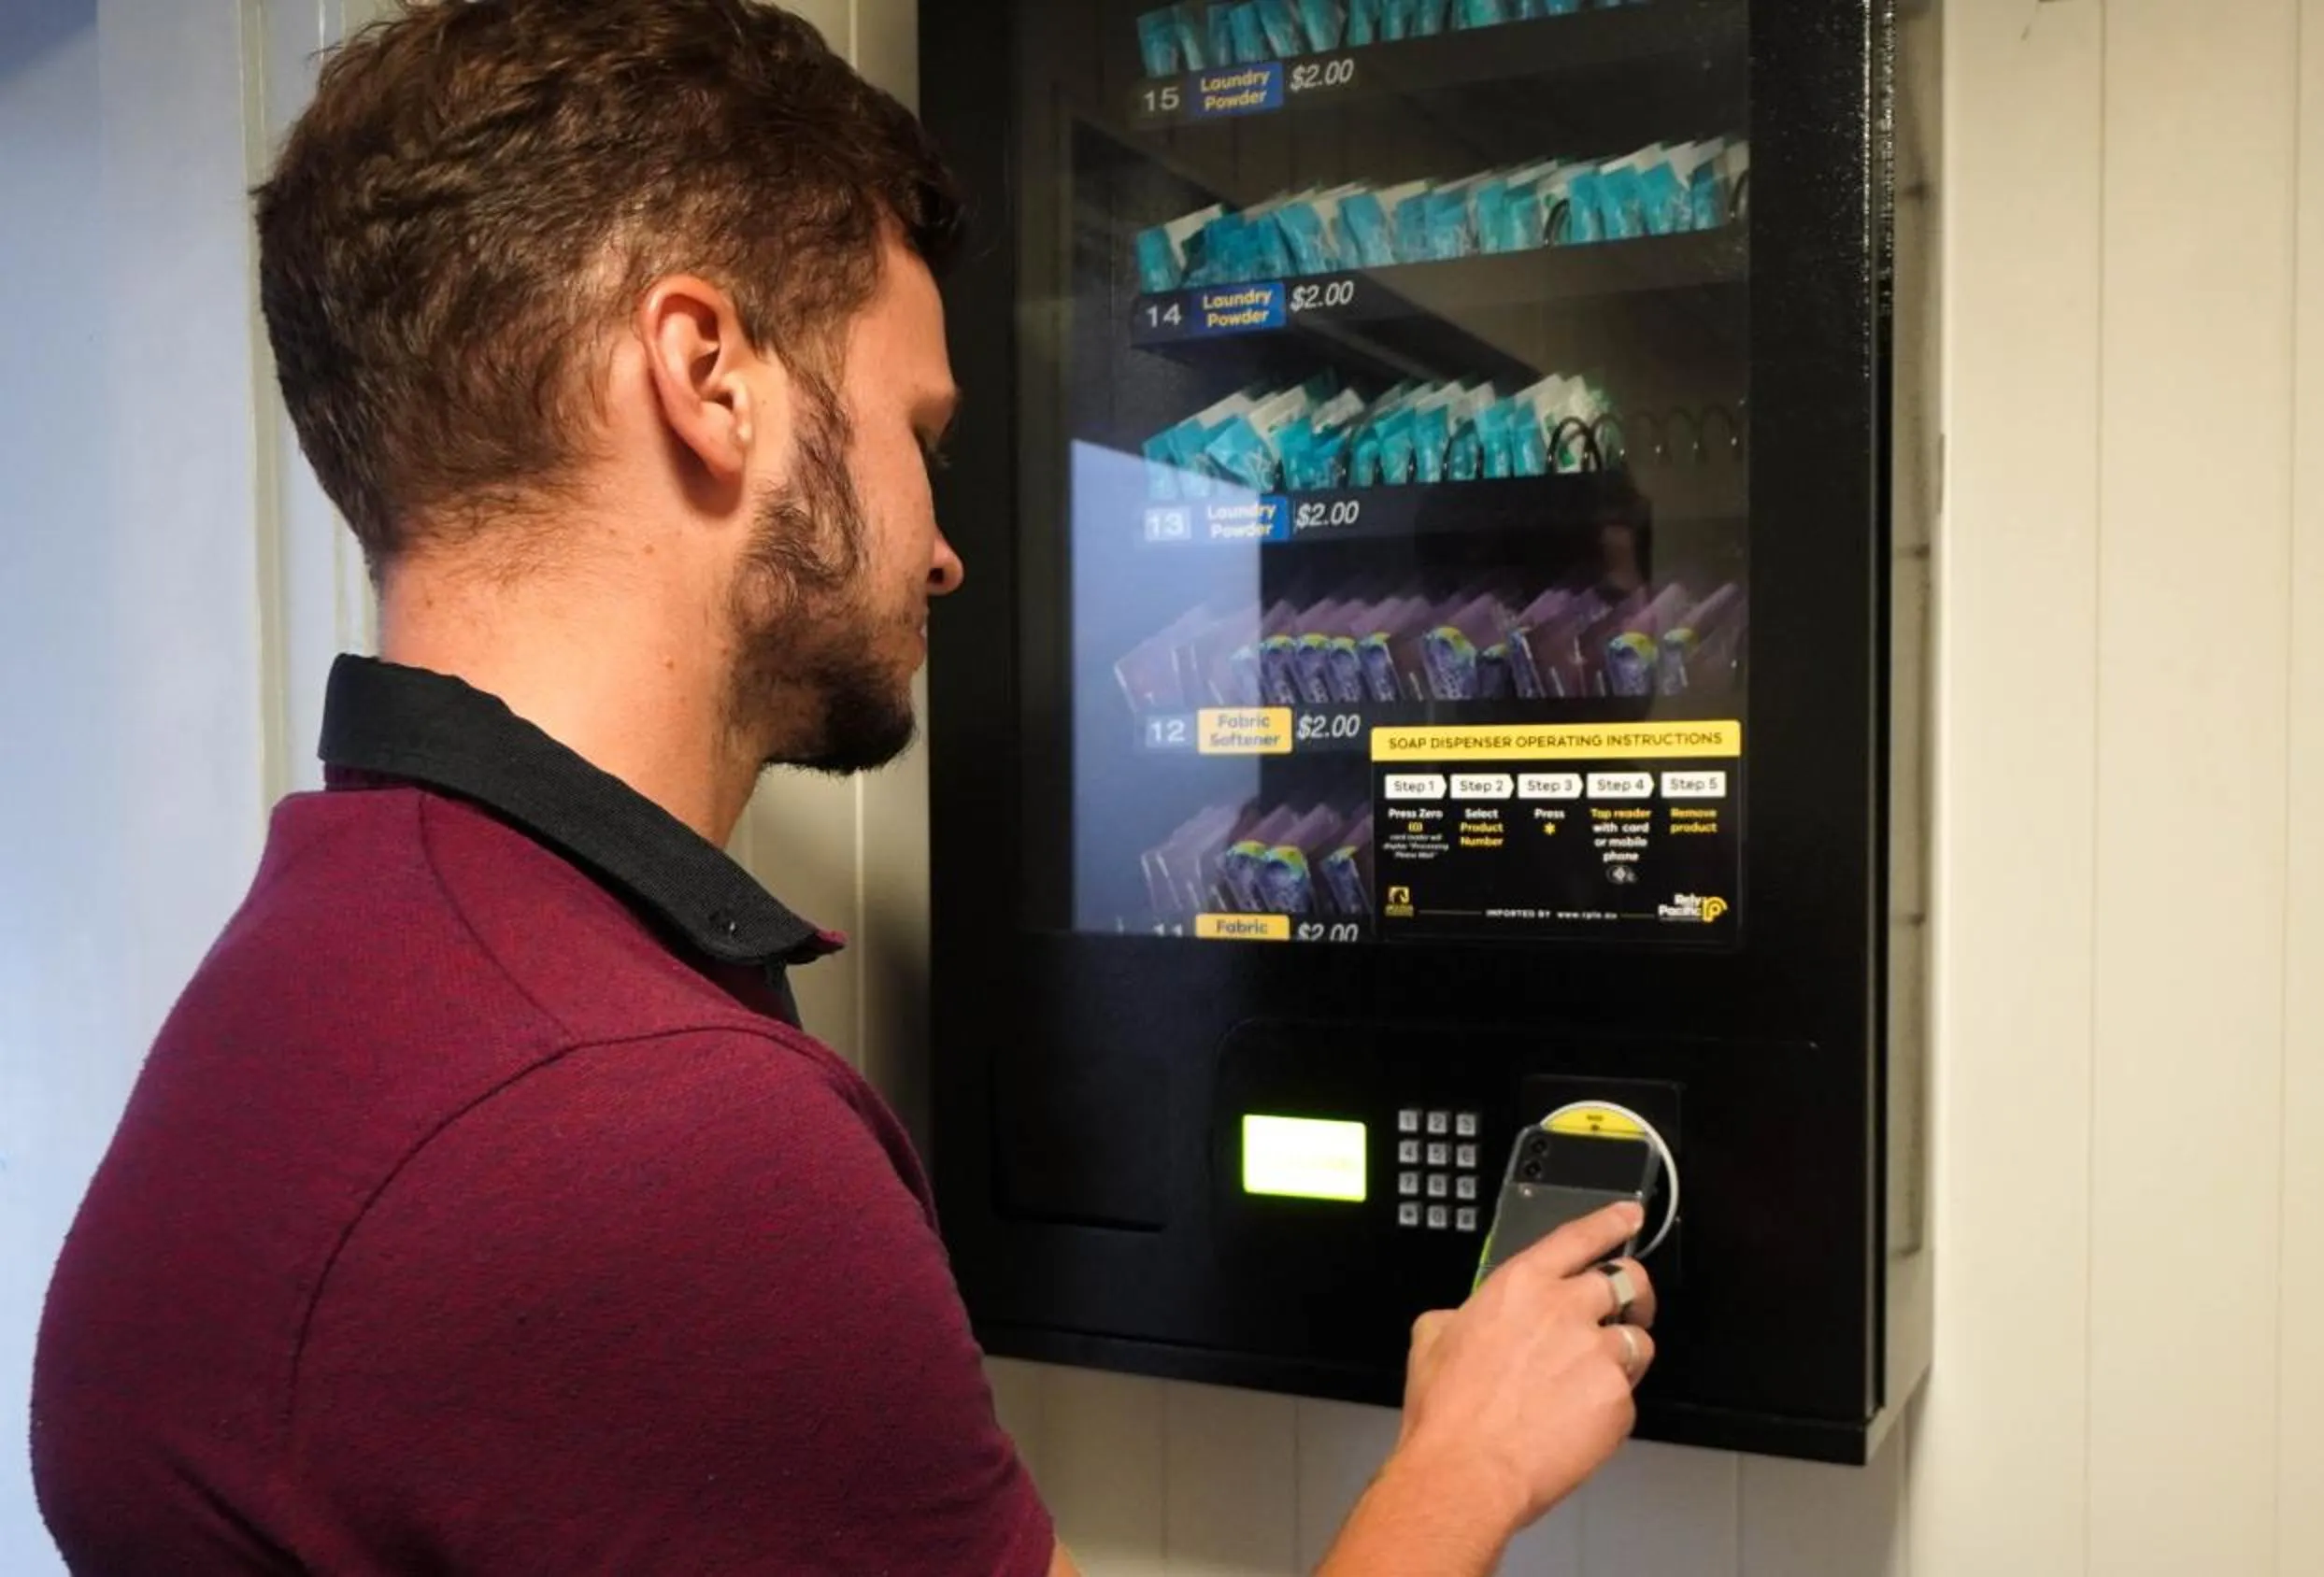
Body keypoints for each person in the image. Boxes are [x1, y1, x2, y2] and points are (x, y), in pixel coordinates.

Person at [26, 1, 1660, 1571]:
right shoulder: (642, 1129)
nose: (946, 547)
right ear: (708, 375)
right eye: (916, 429)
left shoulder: (310, 982)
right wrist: (1465, 1467)